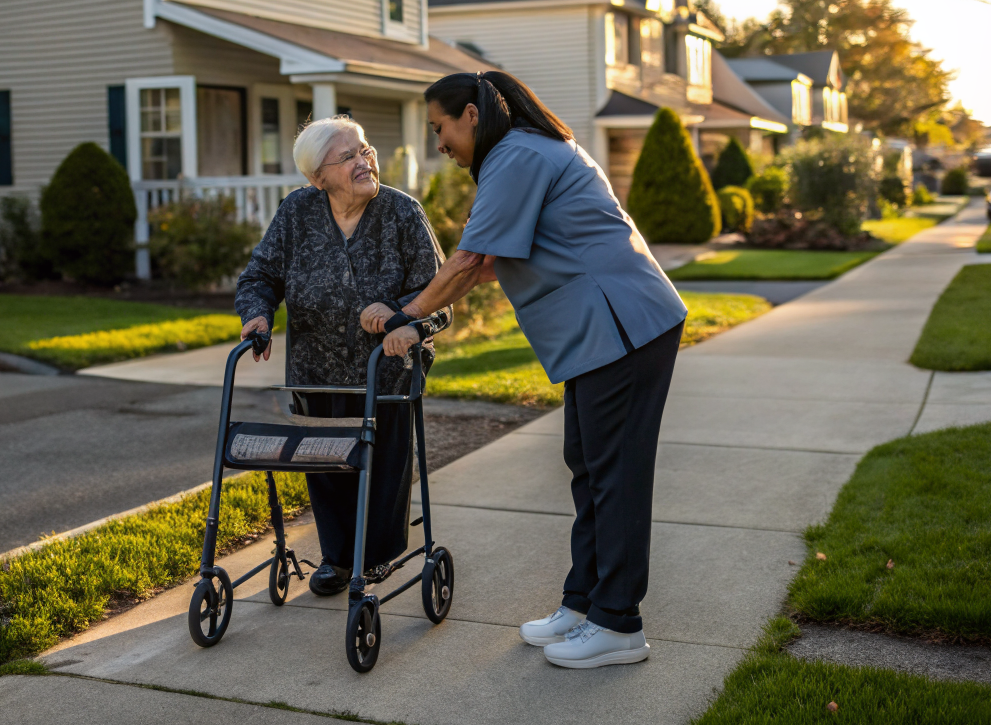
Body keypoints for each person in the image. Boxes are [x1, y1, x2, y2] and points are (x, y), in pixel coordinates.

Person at [361, 72, 686, 669]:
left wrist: (408, 314)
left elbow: (465, 263)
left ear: (471, 115)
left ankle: (618, 625)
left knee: (615, 477)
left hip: (625, 328)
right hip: (605, 334)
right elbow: (488, 262)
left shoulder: (515, 156)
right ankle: (584, 603)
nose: (440, 143)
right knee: (589, 470)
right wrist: (422, 303)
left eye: (440, 128)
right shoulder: (525, 152)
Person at [235, 116, 450, 597]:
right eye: (348, 156)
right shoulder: (297, 213)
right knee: (327, 464)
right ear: (318, 178)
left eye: (366, 150)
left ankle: (375, 558)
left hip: (386, 372)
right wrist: (256, 316)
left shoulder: (401, 213)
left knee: (381, 462)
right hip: (316, 371)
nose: (364, 162)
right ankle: (336, 558)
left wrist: (405, 322)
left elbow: (440, 296)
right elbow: (260, 276)